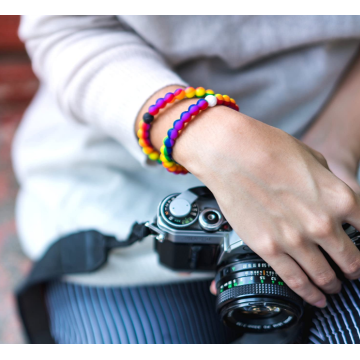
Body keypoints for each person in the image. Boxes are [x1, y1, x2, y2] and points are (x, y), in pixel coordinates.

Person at [13, 15, 360, 344]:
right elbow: (67, 30)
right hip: (117, 185)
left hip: (333, 177)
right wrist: (220, 145)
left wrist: (335, 148)